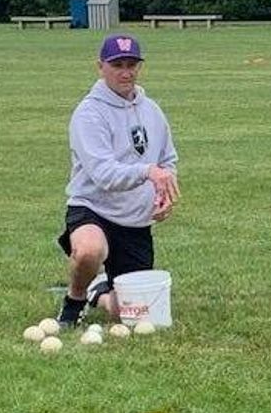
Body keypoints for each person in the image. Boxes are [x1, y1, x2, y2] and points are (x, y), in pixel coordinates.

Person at [56, 34, 180, 327]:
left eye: (131, 65)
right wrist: (148, 172)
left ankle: (97, 290)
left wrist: (163, 193)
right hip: (93, 208)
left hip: (134, 222)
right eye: (117, 65)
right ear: (100, 66)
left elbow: (167, 160)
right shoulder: (89, 113)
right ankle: (74, 302)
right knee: (89, 251)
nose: (126, 73)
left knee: (129, 314)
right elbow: (104, 174)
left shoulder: (152, 110)